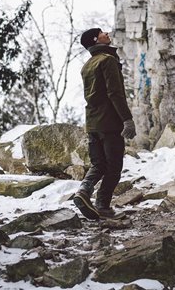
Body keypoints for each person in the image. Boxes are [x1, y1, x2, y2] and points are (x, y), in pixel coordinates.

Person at [73, 27, 136, 220]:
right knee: (114, 166)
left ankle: (83, 191)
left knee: (99, 164)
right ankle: (102, 205)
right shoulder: (107, 60)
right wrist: (127, 119)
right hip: (109, 122)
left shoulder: (87, 65)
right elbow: (115, 93)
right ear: (96, 39)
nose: (107, 33)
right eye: (102, 32)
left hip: (92, 123)